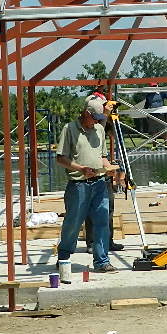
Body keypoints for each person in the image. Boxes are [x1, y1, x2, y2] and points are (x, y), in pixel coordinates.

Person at [55, 96, 117, 273]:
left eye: (100, 120)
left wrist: (109, 168)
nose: (97, 123)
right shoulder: (70, 129)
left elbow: (102, 156)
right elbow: (61, 158)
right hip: (78, 185)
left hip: (99, 184)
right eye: (95, 119)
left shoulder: (99, 130)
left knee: (102, 222)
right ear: (86, 113)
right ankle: (64, 258)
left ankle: (102, 261)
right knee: (73, 224)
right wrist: (81, 168)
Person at [84, 93, 124, 254]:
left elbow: (111, 133)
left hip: (104, 169)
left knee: (108, 208)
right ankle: (92, 242)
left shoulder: (103, 121)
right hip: (90, 172)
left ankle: (108, 240)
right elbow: (96, 129)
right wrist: (105, 114)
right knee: (91, 209)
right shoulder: (86, 125)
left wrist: (111, 117)